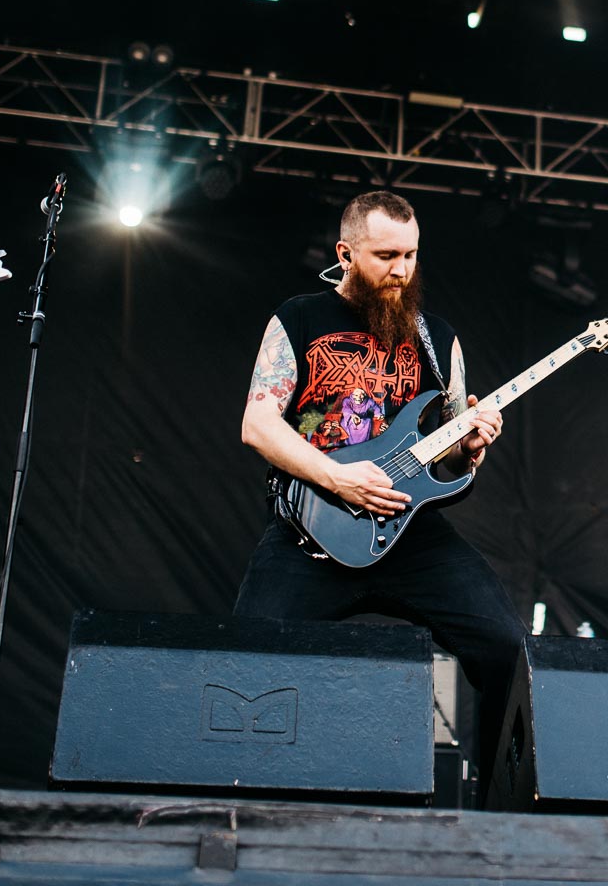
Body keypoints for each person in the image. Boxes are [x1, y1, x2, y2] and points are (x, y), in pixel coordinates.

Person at [234, 189, 522, 781]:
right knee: (247, 661)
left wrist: (471, 448)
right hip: (310, 528)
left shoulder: (438, 338)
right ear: (345, 252)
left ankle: (498, 803)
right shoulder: (300, 317)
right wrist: (338, 476)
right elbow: (258, 424)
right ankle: (242, 808)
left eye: (412, 256)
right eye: (386, 255)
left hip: (410, 530)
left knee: (508, 650)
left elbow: (448, 462)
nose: (402, 271)